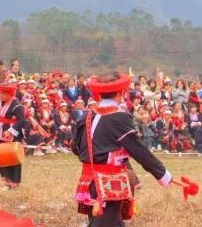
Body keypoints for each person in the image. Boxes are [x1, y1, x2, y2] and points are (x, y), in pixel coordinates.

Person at [72, 71, 173, 227]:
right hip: (109, 182)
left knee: (112, 222)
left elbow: (75, 148)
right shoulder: (119, 117)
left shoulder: (86, 116)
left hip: (88, 180)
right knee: (104, 224)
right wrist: (162, 174)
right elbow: (137, 149)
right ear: (121, 93)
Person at [0, 81, 28, 189]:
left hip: (12, 135)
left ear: (9, 94)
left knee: (12, 157)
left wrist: (10, 131)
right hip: (0, 133)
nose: (0, 95)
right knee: (0, 157)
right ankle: (7, 181)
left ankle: (14, 182)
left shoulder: (17, 104)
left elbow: (22, 121)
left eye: (3, 93)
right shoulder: (0, 103)